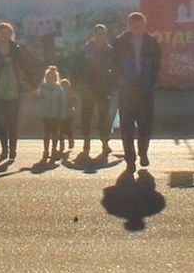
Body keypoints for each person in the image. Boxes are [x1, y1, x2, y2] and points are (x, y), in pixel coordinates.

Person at [111, 10, 164, 168]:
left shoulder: (151, 42)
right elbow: (113, 64)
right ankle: (130, 159)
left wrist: (152, 80)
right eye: (134, 26)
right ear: (129, 26)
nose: (137, 28)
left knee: (145, 125)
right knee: (126, 126)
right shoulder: (120, 42)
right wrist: (120, 80)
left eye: (140, 25)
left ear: (144, 25)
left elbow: (157, 63)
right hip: (127, 90)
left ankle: (143, 152)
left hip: (145, 89)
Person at [0, 22, 36, 160]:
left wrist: (33, 85)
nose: (5, 36)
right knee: (1, 121)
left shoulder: (15, 48)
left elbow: (25, 66)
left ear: (11, 35)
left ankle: (13, 149)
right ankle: (4, 149)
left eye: (7, 33)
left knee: (12, 121)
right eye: (2, 33)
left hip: (13, 89)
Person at [74, 23, 118, 158]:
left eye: (103, 34)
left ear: (106, 36)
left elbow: (115, 69)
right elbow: (77, 67)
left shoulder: (110, 51)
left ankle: (105, 142)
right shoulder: (85, 50)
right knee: (86, 115)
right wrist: (77, 84)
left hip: (103, 88)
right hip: (88, 88)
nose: (101, 37)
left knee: (104, 116)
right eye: (98, 34)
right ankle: (86, 141)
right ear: (94, 35)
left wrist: (113, 84)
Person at [37, 66, 68, 163]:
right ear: (46, 78)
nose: (50, 79)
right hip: (46, 114)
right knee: (46, 133)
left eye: (52, 77)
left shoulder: (59, 89)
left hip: (56, 115)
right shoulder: (42, 88)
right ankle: (46, 150)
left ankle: (54, 149)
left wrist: (62, 114)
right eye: (48, 77)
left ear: (55, 78)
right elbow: (38, 100)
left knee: (55, 133)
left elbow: (63, 102)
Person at [59, 77, 78, 157]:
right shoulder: (59, 95)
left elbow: (74, 102)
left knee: (68, 128)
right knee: (61, 130)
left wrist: (73, 109)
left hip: (69, 114)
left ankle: (70, 140)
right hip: (61, 115)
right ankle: (62, 144)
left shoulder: (70, 95)